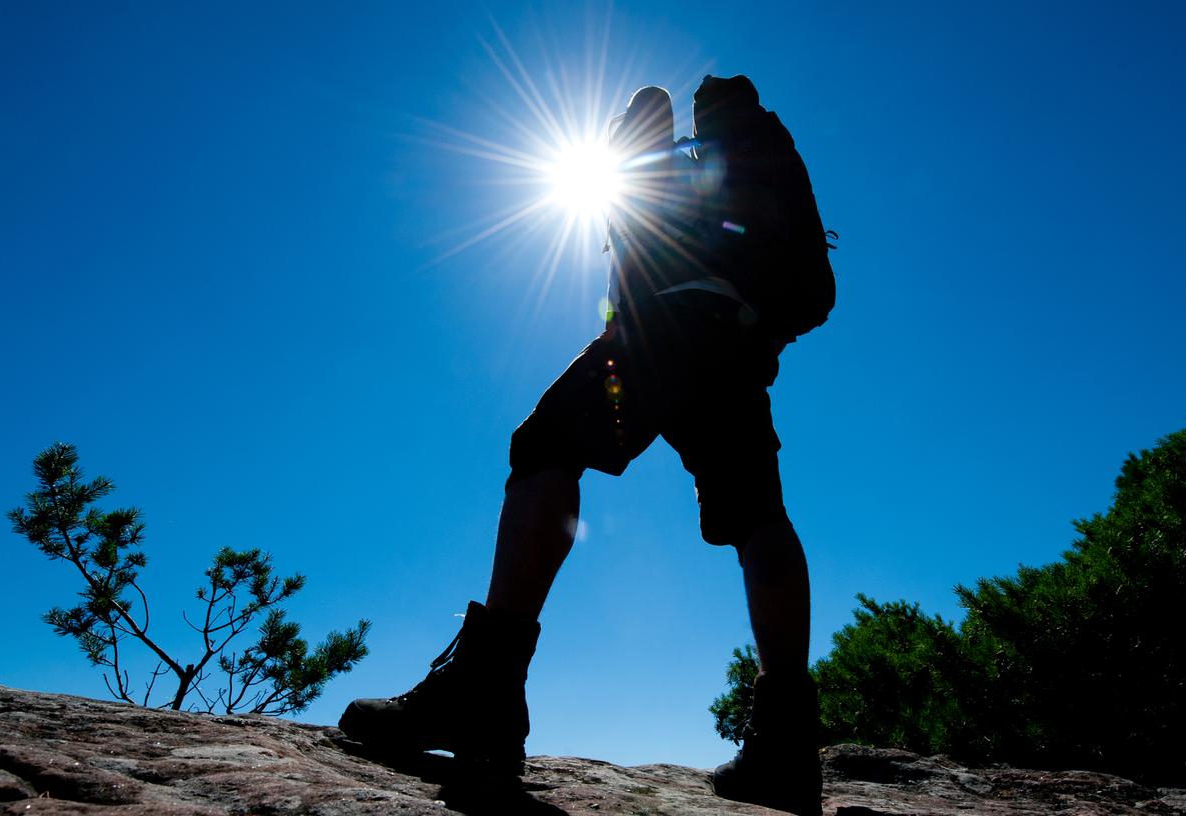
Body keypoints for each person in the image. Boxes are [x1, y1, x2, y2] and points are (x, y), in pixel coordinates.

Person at [339, 80, 823, 815]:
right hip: (737, 343)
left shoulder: (663, 144)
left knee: (545, 446)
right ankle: (787, 743)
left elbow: (628, 236)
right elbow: (813, 290)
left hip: (658, 326)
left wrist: (637, 133)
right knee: (760, 515)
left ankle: (485, 690)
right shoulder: (767, 159)